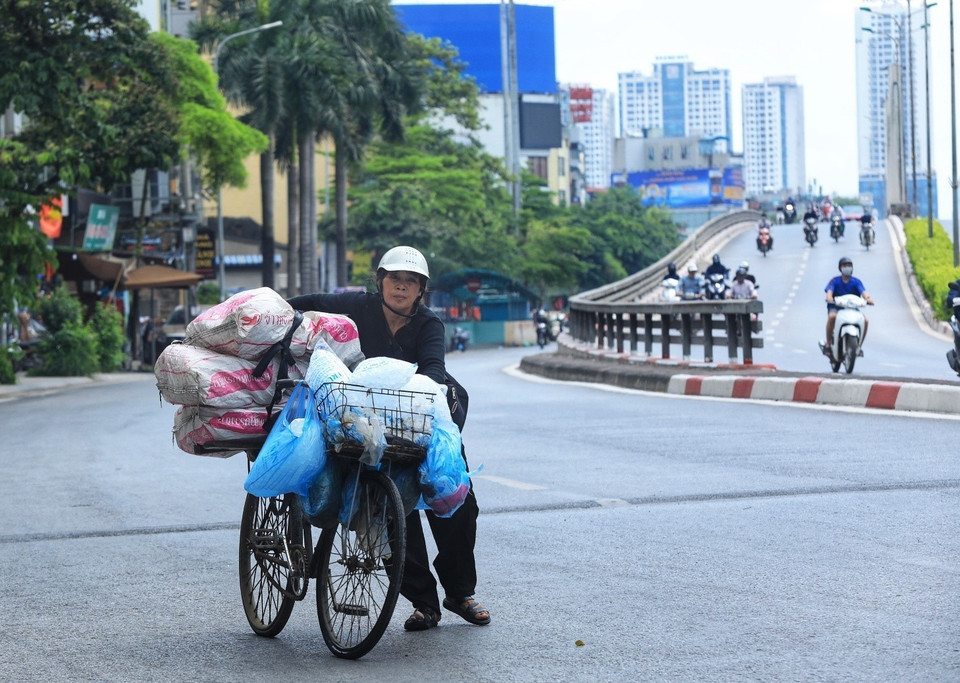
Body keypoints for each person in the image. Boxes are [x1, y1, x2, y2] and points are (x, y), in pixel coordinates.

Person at [287, 246, 490, 631]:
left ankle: (459, 593)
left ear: (420, 290)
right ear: (380, 281)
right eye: (394, 279)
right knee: (391, 507)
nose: (401, 287)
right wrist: (273, 307)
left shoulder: (429, 324)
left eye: (410, 282)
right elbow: (310, 303)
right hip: (363, 423)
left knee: (458, 503)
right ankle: (423, 604)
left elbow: (433, 372)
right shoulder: (357, 306)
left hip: (423, 417)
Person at [823, 256, 874, 355]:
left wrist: (868, 299)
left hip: (852, 309)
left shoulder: (856, 281)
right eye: (845, 265)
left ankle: (858, 346)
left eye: (849, 266)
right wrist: (829, 297)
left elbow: (863, 292)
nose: (847, 268)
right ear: (840, 268)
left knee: (865, 321)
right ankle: (828, 344)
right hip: (836, 307)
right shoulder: (835, 281)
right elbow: (829, 291)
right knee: (831, 317)